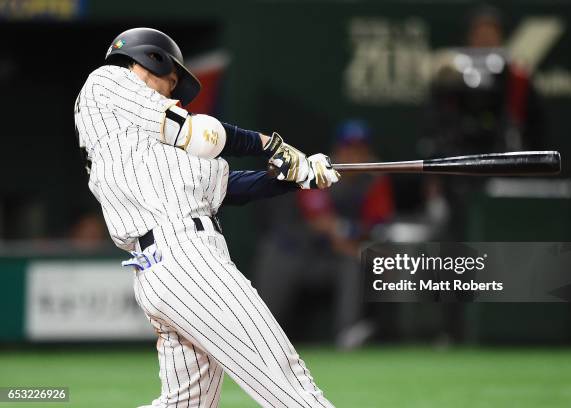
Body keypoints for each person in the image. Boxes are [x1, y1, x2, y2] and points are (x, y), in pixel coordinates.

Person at [74, 27, 339, 408]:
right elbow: (202, 134)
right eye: (172, 81)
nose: (174, 93)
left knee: (186, 403)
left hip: (167, 266)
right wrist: (271, 145)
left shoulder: (143, 144)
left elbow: (229, 186)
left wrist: (298, 176)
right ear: (150, 59)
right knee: (290, 386)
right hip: (184, 259)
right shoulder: (107, 81)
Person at [255, 120, 395, 349]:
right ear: (337, 149)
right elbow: (322, 223)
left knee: (354, 262)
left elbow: (376, 224)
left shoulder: (373, 180)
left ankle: (347, 334)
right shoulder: (318, 170)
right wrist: (352, 240)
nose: (354, 154)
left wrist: (366, 249)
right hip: (292, 251)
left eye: (360, 148)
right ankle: (257, 338)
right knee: (277, 260)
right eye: (349, 147)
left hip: (326, 259)